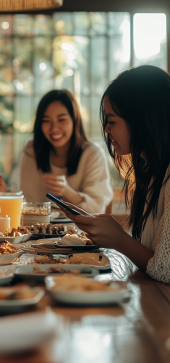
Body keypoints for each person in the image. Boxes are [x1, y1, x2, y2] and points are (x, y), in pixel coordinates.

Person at [60, 65, 170, 284]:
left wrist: (118, 239)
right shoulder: (151, 174)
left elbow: (165, 270)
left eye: (112, 121)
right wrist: (110, 233)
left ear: (142, 120)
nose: (107, 130)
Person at [0, 89, 113, 213]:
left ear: (75, 120)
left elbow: (97, 207)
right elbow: (27, 204)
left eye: (61, 119)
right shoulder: (32, 150)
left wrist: (66, 191)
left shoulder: (93, 154)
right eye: (46, 120)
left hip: (79, 231)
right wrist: (5, 192)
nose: (54, 128)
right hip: (36, 229)